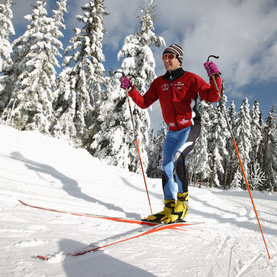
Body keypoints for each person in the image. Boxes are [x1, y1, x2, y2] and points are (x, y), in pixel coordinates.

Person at [120, 44, 221, 224]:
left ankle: (183, 205)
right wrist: (131, 90)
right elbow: (144, 103)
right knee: (166, 165)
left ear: (179, 59)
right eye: (164, 57)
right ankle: (169, 206)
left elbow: (213, 96)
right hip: (172, 131)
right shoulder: (160, 83)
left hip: (190, 127)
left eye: (170, 57)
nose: (166, 60)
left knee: (178, 158)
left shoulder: (191, 79)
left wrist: (215, 76)